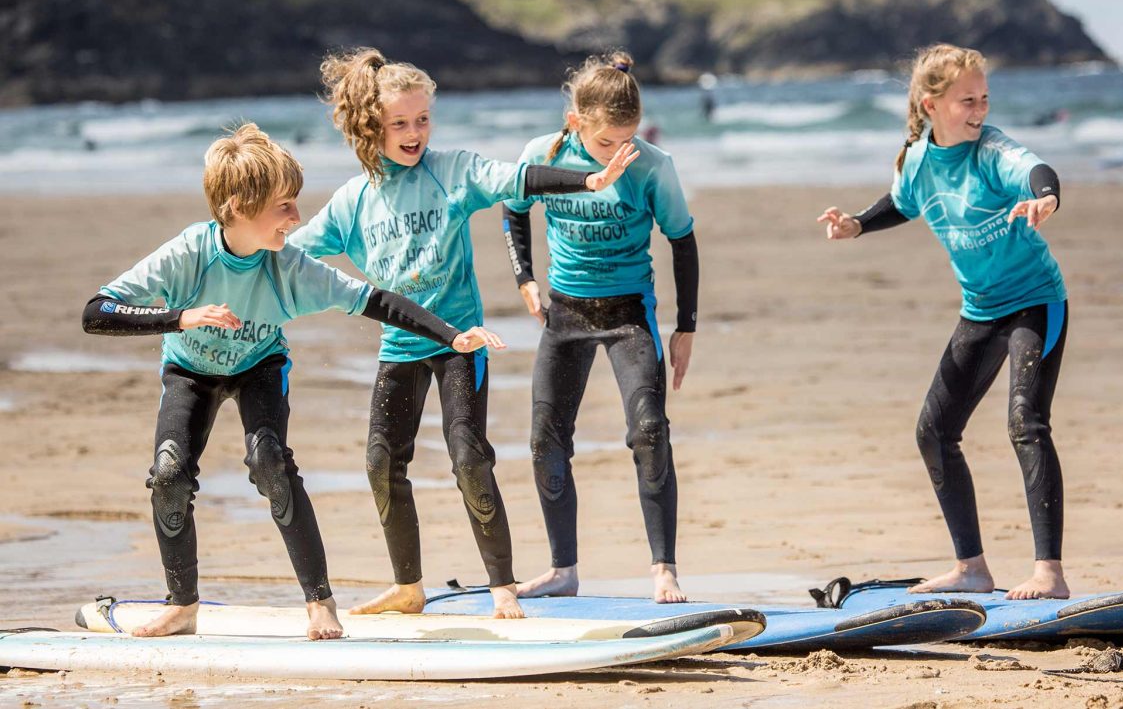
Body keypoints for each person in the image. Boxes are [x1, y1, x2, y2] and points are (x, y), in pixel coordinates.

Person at [81, 124, 503, 639]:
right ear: (237, 205)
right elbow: (96, 312)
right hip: (190, 371)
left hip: (261, 365)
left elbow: (379, 301)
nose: (297, 218)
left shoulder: (290, 267)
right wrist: (180, 318)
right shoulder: (189, 254)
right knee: (169, 474)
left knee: (270, 463)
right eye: (283, 205)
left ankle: (320, 603)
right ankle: (182, 605)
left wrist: (453, 336)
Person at [289, 48, 637, 619]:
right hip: (400, 346)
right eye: (399, 122)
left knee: (468, 457)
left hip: (463, 343)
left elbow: (516, 178)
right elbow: (288, 253)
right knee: (381, 462)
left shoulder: (452, 172)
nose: (413, 132)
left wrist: (589, 179)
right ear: (372, 125)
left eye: (422, 119)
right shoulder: (352, 203)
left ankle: (502, 587)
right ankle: (408, 587)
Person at [817, 43, 1069, 600]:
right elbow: (903, 201)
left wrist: (1045, 199)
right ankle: (972, 567)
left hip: (1035, 301)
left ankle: (1049, 572)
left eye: (983, 98)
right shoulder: (917, 161)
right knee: (934, 432)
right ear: (930, 105)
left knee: (1026, 423)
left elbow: (1035, 171)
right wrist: (856, 225)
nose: (979, 110)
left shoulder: (992, 151)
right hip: (980, 310)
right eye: (966, 101)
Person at [502, 51, 699, 603]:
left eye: (628, 140)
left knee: (649, 432)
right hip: (564, 315)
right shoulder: (543, 155)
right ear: (575, 124)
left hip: (628, 316)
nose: (620, 154)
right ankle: (563, 571)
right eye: (606, 143)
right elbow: (514, 207)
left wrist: (685, 327)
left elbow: (682, 240)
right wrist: (525, 278)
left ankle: (664, 568)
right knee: (545, 440)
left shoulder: (652, 166)